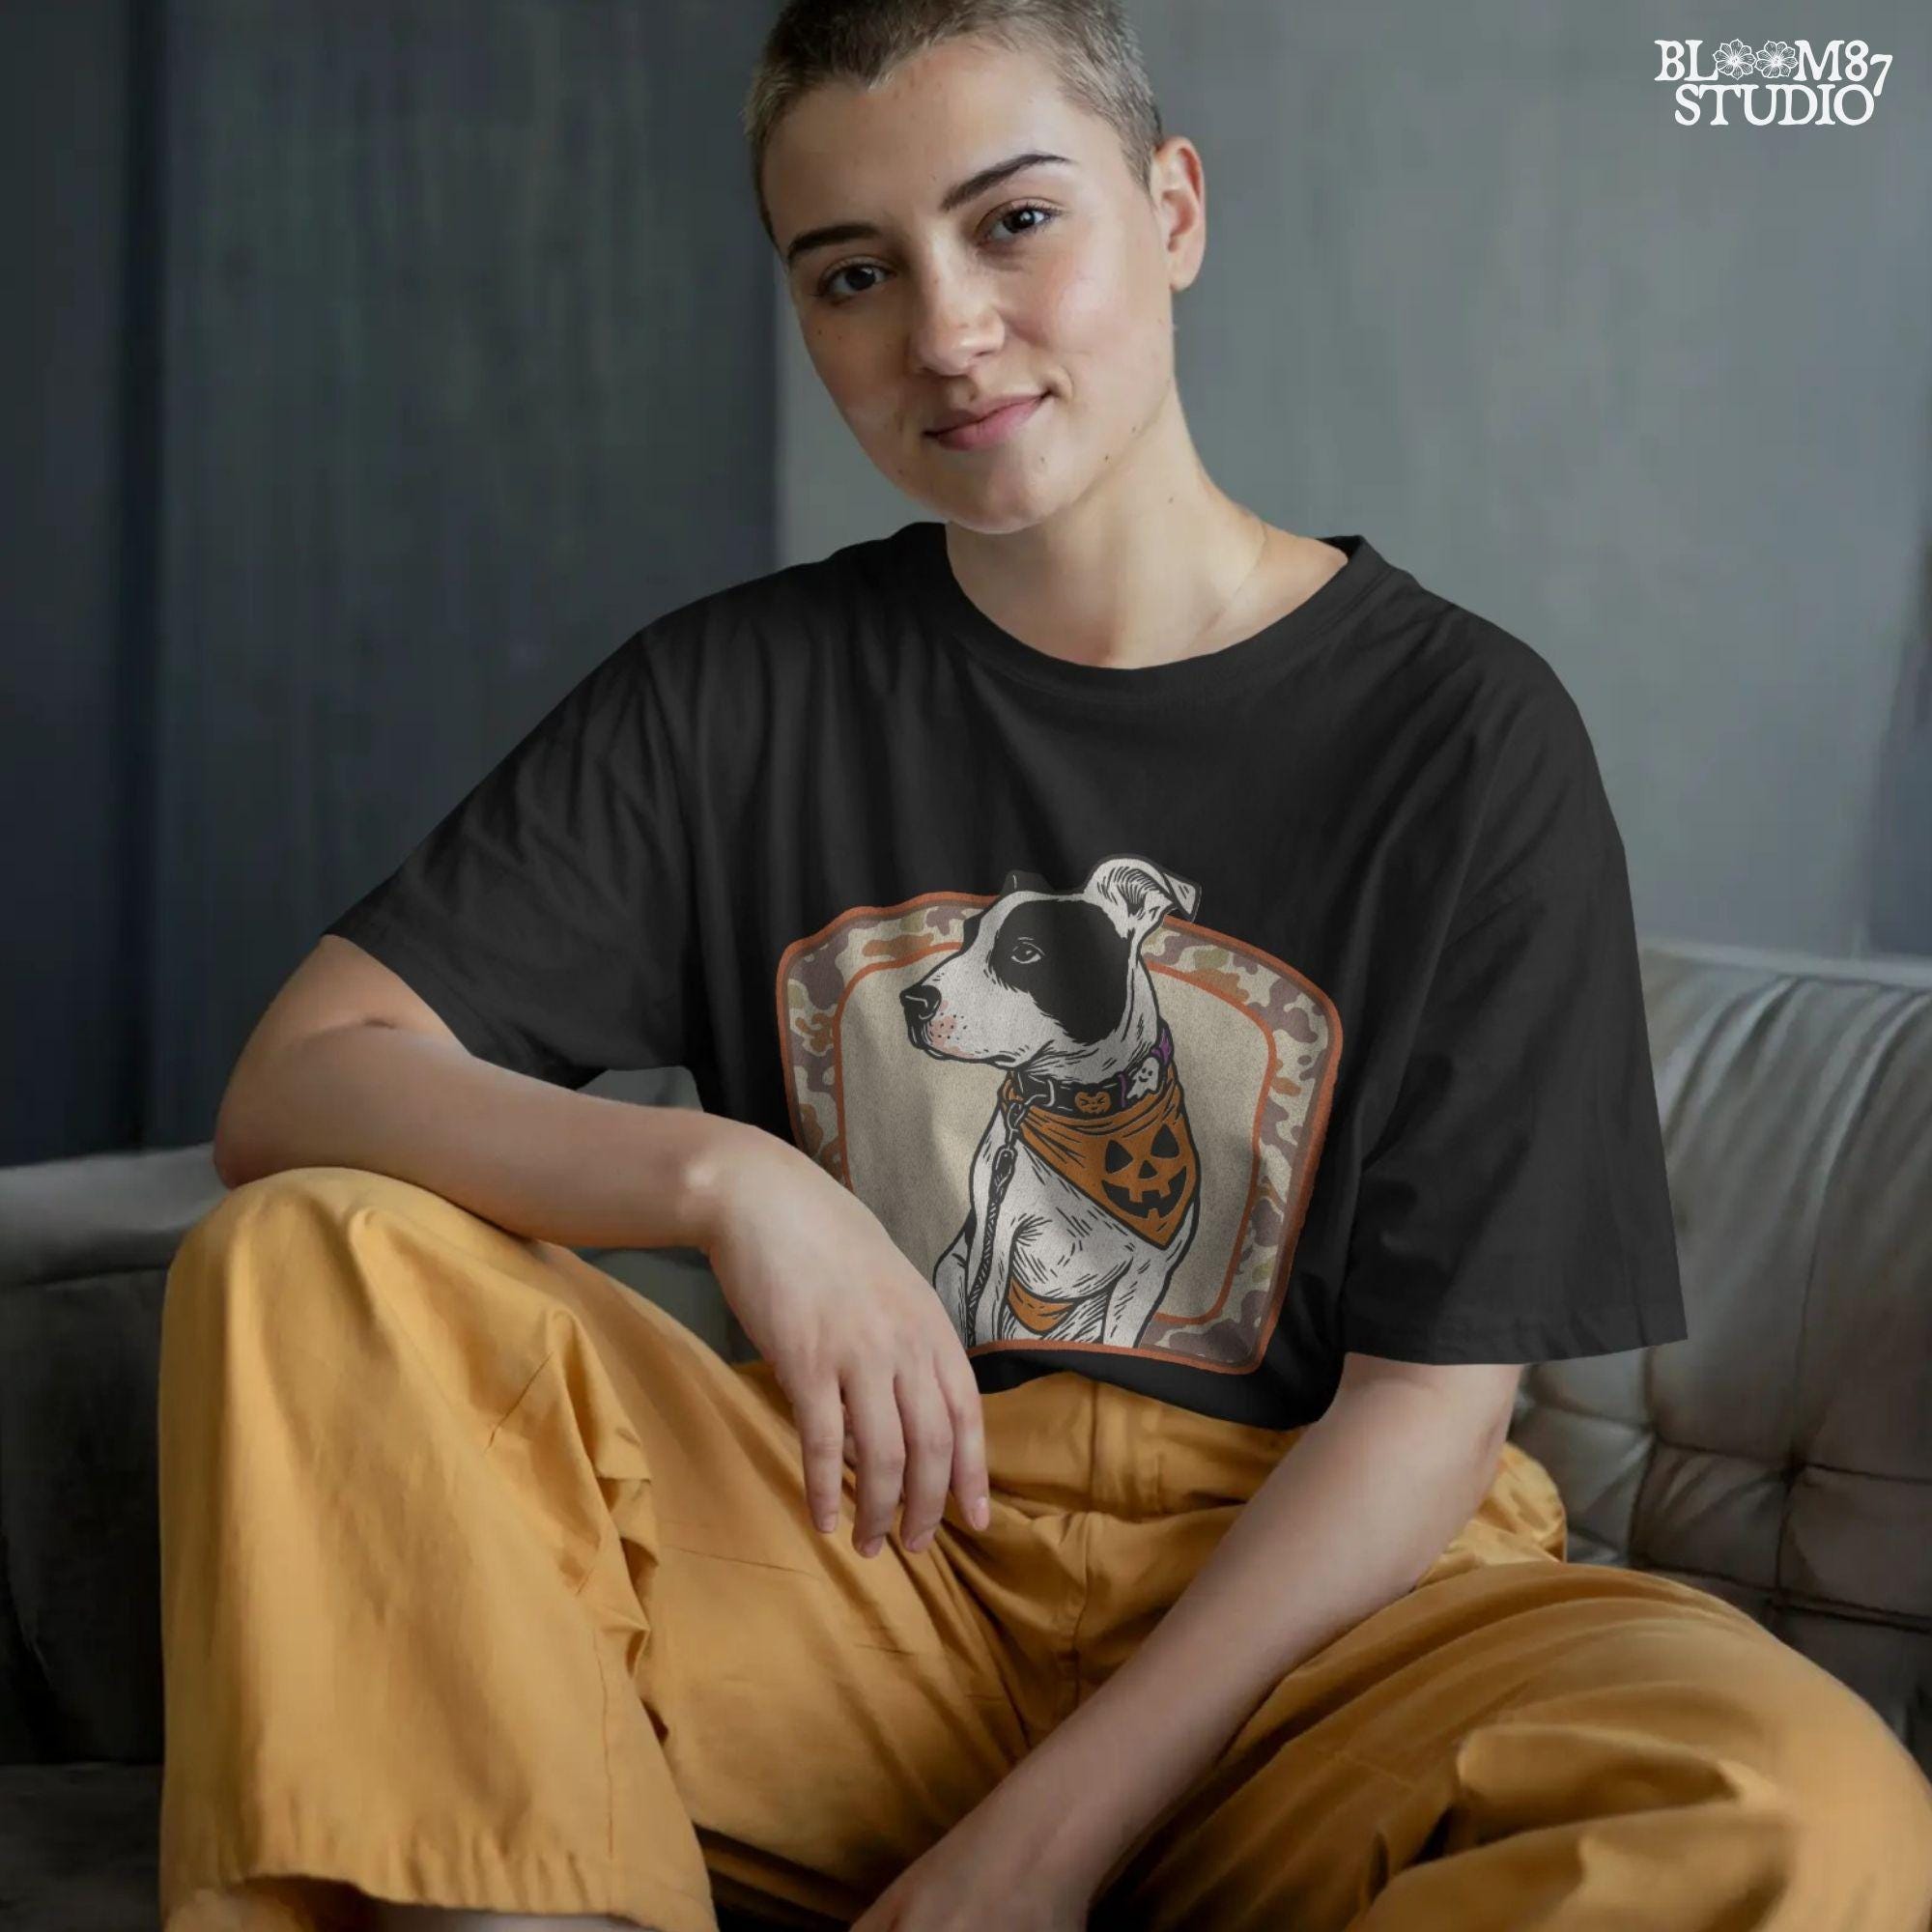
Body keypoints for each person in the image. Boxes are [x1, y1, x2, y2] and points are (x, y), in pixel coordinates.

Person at [156, 3, 1932, 1929]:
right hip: (862, 1567)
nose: (943, 330)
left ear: (1172, 210)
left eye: (1012, 222)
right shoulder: (729, 697)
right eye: (852, 273)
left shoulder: (1467, 736)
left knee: (1804, 1807)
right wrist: (729, 1180)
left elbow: (1428, 1407)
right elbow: (302, 1076)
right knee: (305, 1254)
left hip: (1324, 1642)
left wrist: (1034, 1848)